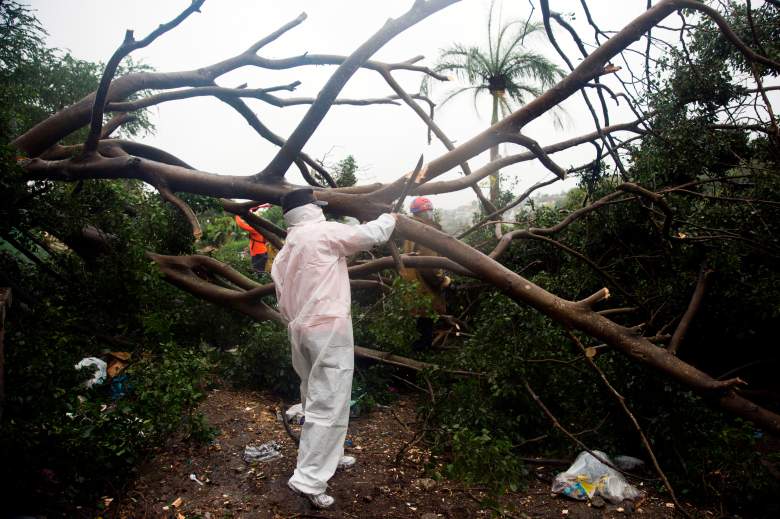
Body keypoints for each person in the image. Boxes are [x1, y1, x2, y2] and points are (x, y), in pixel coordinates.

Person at [271, 188, 396, 509]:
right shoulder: (322, 232)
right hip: (328, 329)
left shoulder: (287, 249)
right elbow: (372, 234)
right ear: (311, 210)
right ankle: (309, 480)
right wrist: (390, 216)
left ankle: (331, 455)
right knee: (330, 401)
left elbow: (282, 300)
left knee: (314, 395)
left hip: (300, 330)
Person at [399, 196, 451, 351]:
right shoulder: (425, 233)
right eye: (425, 212)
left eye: (430, 211)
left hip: (413, 288)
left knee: (419, 328)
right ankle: (422, 362)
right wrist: (443, 281)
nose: (429, 215)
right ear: (418, 215)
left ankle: (417, 354)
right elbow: (429, 267)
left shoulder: (410, 230)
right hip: (424, 290)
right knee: (425, 327)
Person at [234, 205, 269, 274]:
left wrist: (237, 215)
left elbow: (241, 224)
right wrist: (252, 209)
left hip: (258, 253)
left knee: (257, 272)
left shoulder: (255, 229)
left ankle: (259, 283)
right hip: (262, 252)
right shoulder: (261, 227)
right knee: (260, 271)